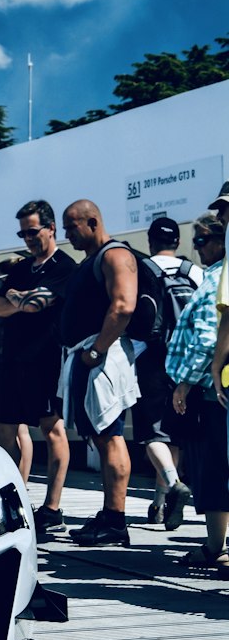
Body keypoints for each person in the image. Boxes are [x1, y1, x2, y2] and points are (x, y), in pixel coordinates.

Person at [0, 200, 77, 539]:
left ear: (50, 228)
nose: (27, 238)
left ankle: (52, 509)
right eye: (22, 233)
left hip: (44, 359)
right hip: (11, 359)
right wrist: (18, 299)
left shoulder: (64, 266)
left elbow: (38, 303)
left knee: (51, 430)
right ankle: (11, 504)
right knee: (3, 431)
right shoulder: (22, 267)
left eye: (32, 231)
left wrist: (17, 298)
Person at [60, 200, 139, 546]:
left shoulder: (115, 256)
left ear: (92, 222)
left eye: (71, 227)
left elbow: (123, 305)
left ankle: (117, 521)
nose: (67, 235)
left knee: (111, 436)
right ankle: (109, 515)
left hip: (102, 357)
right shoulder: (94, 259)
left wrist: (96, 351)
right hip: (91, 356)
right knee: (101, 437)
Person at [164, 213, 227, 574]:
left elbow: (207, 338)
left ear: (221, 240)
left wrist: (185, 382)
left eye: (202, 240)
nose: (196, 248)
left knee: (213, 468)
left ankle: (215, 547)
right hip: (215, 385)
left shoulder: (218, 278)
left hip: (210, 389)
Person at [133, 216, 202, 528]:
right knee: (173, 434)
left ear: (150, 241)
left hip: (153, 358)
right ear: (178, 241)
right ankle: (160, 505)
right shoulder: (194, 272)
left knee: (151, 433)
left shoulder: (143, 271)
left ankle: (174, 485)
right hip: (187, 362)